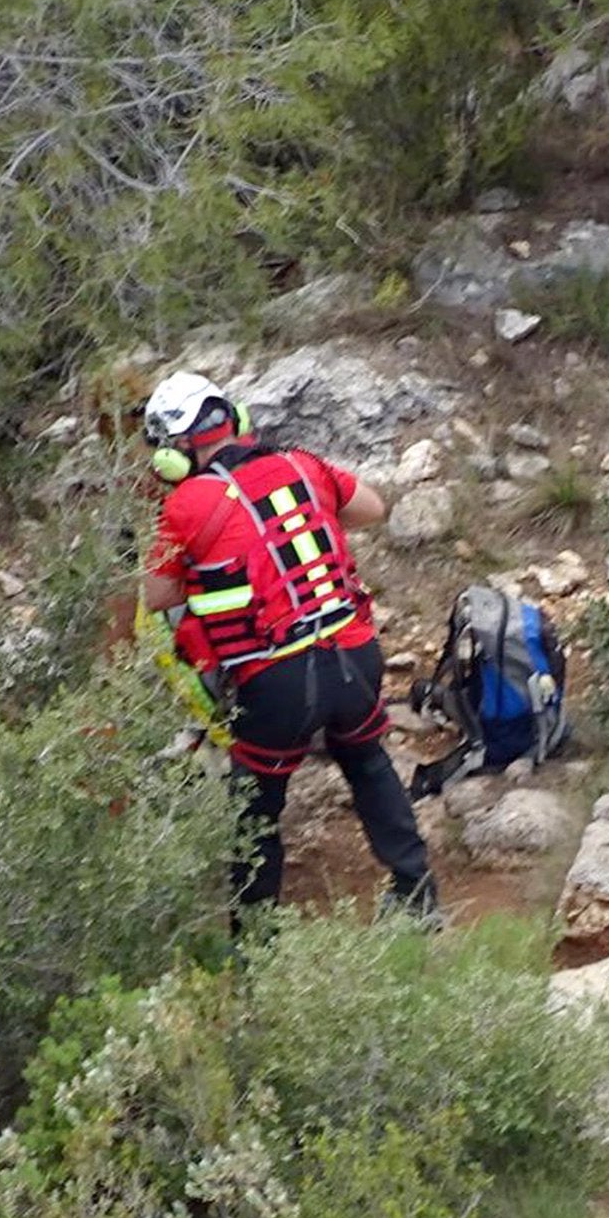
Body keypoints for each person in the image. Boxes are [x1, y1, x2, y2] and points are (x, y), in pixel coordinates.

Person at [138, 370, 436, 921]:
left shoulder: (186, 505)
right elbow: (371, 508)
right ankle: (418, 898)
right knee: (368, 763)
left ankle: (255, 948)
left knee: (255, 810)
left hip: (277, 684)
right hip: (355, 656)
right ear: (236, 420)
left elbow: (156, 596)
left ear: (176, 452)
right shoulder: (303, 463)